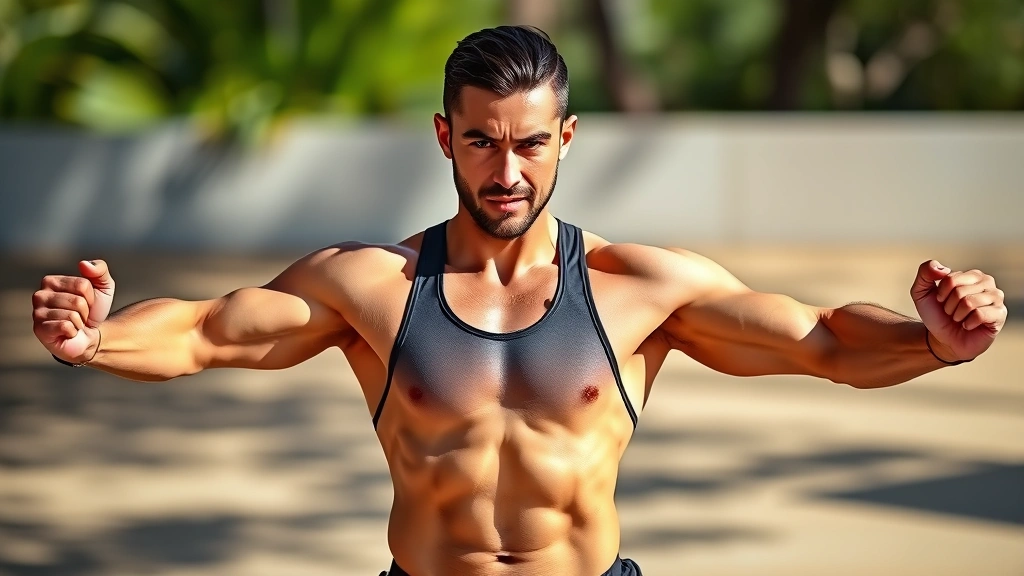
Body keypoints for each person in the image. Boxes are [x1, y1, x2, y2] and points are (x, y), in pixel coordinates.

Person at [31, 26, 1006, 576]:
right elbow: (205, 333)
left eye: (530, 143)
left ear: (568, 138)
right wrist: (95, 341)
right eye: (484, 141)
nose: (508, 170)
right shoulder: (372, 286)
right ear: (444, 136)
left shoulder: (639, 289)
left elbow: (824, 342)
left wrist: (933, 343)